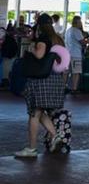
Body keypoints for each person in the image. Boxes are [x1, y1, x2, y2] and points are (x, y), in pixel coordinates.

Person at [14, 14, 65, 159]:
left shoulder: (43, 38)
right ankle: (55, 135)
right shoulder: (58, 39)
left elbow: (40, 55)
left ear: (40, 26)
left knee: (34, 114)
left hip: (41, 80)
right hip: (54, 79)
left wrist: (32, 49)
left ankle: (32, 148)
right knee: (39, 111)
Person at [64, 15, 85, 94]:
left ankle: (63, 87)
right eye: (80, 22)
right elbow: (82, 42)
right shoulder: (77, 31)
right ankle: (74, 88)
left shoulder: (68, 30)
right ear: (77, 22)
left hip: (67, 53)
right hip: (75, 54)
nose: (81, 23)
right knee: (76, 72)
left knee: (66, 72)